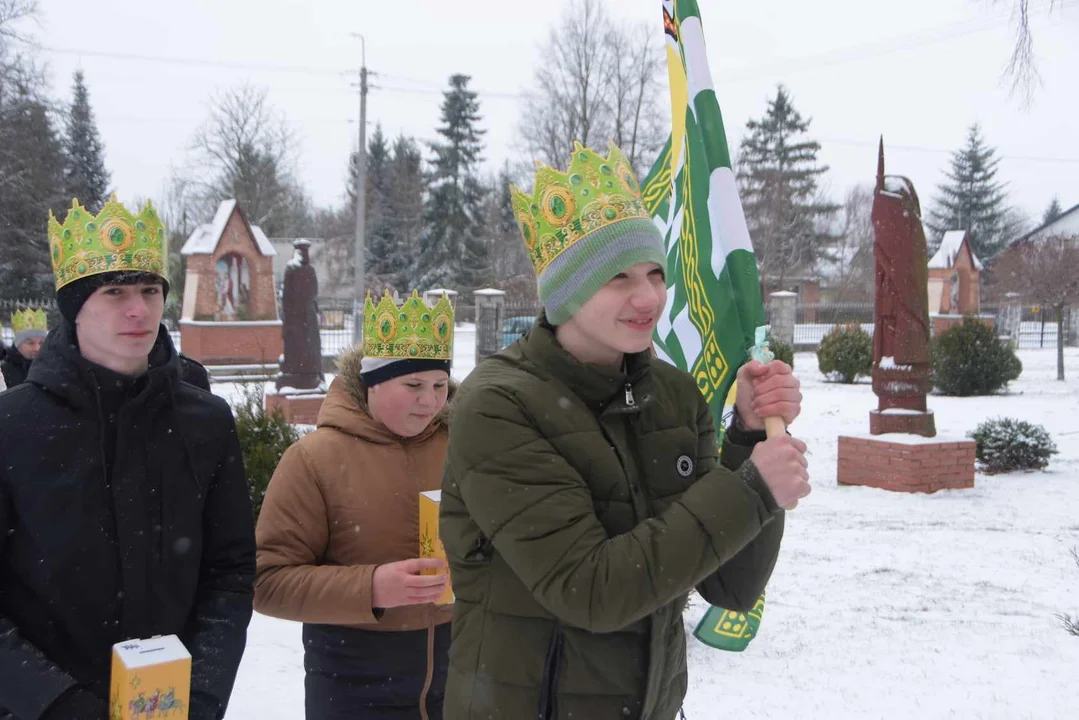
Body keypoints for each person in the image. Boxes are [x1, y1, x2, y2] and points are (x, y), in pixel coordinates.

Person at [440, 143, 811, 720]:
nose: (649, 298)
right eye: (618, 277)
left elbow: (730, 589)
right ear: (566, 291)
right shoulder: (497, 407)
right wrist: (752, 489)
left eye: (656, 273)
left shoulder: (675, 396)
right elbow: (589, 589)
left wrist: (748, 436)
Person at [0, 197, 255, 720]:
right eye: (114, 292)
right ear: (75, 307)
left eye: (149, 289)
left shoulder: (205, 421)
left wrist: (201, 694)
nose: (138, 309)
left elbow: (228, 571)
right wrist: (59, 703)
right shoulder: (12, 427)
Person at [255, 290, 456, 720]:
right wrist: (373, 588)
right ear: (372, 382)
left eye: (440, 385)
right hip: (353, 684)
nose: (430, 401)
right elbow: (268, 582)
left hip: (457, 679)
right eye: (413, 385)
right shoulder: (314, 459)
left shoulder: (462, 446)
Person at [1, 307, 48, 388]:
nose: (37, 348)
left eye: (41, 343)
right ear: (17, 344)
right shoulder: (3, 372)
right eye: (30, 343)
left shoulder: (52, 367)